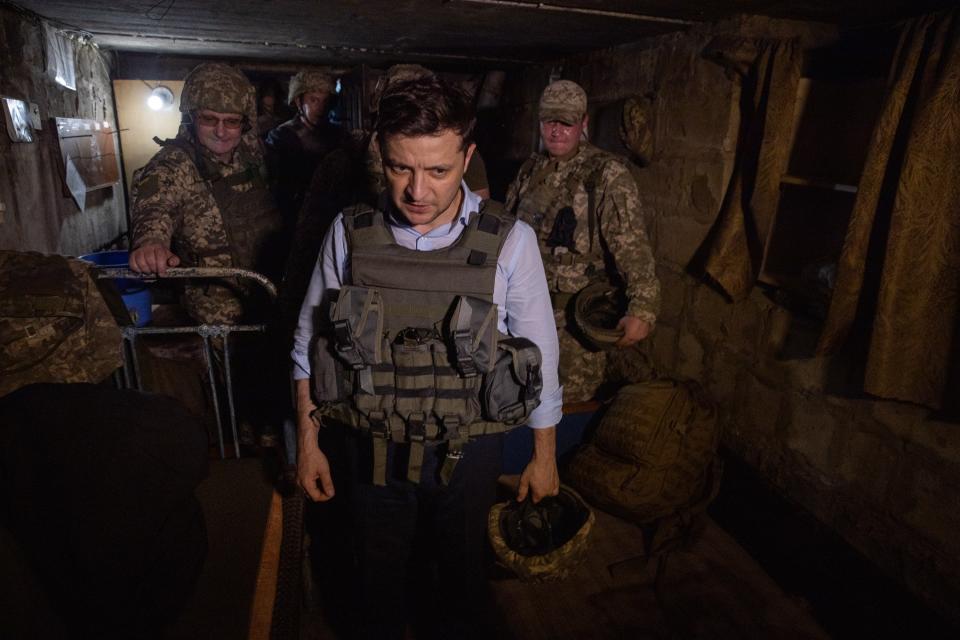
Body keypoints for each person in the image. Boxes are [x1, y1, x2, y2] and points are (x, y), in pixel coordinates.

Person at [291, 75, 562, 639]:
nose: (418, 190)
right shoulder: (349, 233)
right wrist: (310, 442)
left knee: (463, 585)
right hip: (371, 447)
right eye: (400, 168)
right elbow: (307, 341)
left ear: (468, 156)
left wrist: (544, 456)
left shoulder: (511, 241)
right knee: (375, 586)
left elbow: (541, 356)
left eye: (438, 170)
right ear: (380, 155)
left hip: (469, 450)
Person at [504, 79, 660, 464]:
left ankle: (557, 490)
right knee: (521, 397)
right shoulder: (531, 169)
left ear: (583, 123)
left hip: (572, 325)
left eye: (567, 123)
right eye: (550, 122)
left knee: (567, 414)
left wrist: (643, 308)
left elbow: (633, 246)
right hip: (523, 313)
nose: (557, 130)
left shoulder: (606, 174)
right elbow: (505, 230)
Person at [129, 62, 283, 324]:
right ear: (191, 116)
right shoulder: (172, 165)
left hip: (268, 292)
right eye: (209, 119)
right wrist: (151, 245)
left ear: (245, 123)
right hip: (218, 312)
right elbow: (155, 209)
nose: (221, 132)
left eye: (232, 122)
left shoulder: (252, 156)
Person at [363, 64, 491, 202]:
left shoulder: (456, 150)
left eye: (438, 171)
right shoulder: (367, 146)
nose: (417, 193)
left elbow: (480, 208)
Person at [265, 69, 353, 226]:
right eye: (314, 100)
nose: (320, 107)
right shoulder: (281, 137)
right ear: (299, 102)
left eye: (325, 101)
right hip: (295, 217)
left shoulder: (338, 135)